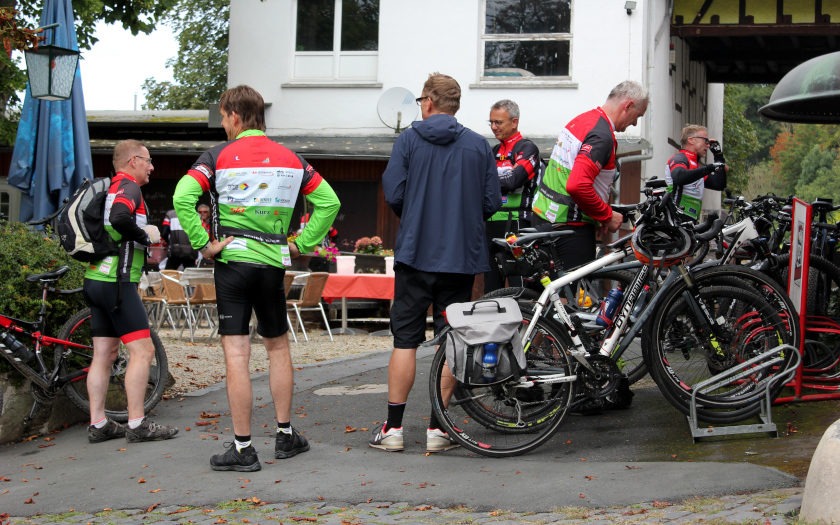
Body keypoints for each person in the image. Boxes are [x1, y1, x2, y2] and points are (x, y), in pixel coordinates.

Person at [173, 85, 340, 472]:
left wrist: (205, 244)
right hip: (272, 263)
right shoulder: (291, 158)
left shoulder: (217, 156)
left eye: (223, 118)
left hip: (233, 262)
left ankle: (244, 447)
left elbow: (183, 196)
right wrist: (304, 243)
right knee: (278, 347)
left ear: (233, 115)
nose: (224, 125)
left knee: (237, 353)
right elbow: (329, 201)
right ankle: (285, 437)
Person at [371, 73, 501, 453]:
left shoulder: (408, 141)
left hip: (415, 254)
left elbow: (394, 192)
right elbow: (492, 202)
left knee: (405, 340)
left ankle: (393, 430)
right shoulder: (479, 147)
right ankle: (438, 429)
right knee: (453, 341)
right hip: (460, 258)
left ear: (428, 102)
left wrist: (414, 213)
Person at [84, 139, 179, 444]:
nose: (152, 167)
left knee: (104, 354)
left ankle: (98, 424)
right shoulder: (129, 188)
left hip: (96, 278)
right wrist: (145, 236)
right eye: (148, 160)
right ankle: (137, 423)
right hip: (118, 283)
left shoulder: (110, 187)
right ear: (133, 161)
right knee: (143, 351)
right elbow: (120, 218)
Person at [531, 80, 649, 269]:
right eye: (638, 116)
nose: (635, 123)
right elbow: (577, 185)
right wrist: (607, 215)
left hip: (544, 218)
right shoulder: (601, 135)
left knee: (543, 294)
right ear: (628, 106)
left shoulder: (582, 120)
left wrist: (597, 214)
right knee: (572, 297)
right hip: (569, 228)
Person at [484, 99, 541, 293]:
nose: (493, 127)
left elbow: (513, 181)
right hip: (491, 226)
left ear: (514, 122)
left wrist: (488, 178)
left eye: (498, 122)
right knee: (491, 290)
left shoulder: (527, 149)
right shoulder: (492, 151)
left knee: (522, 289)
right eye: (491, 122)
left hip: (517, 225)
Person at [665, 124, 728, 221]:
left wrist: (718, 155)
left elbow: (719, 184)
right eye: (705, 141)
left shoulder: (696, 166)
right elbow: (678, 177)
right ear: (691, 140)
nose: (708, 145)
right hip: (676, 217)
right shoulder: (680, 158)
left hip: (690, 218)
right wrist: (708, 169)